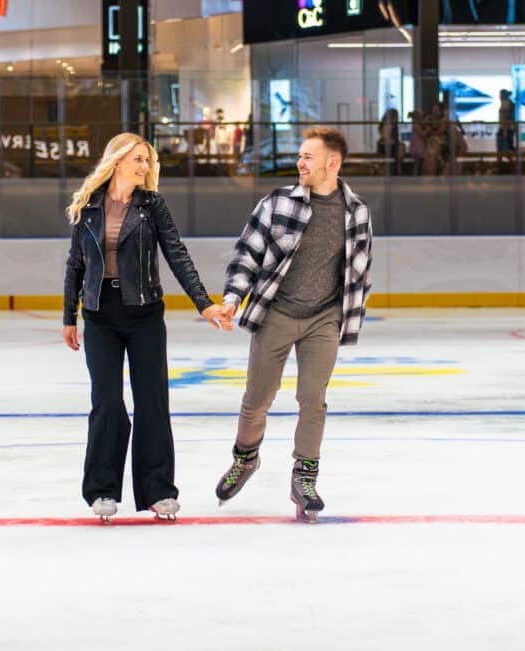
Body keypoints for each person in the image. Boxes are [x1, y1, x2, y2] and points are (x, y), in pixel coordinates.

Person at [62, 132, 231, 523]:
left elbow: (176, 254)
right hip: (100, 315)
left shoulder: (152, 205)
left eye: (147, 161)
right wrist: (69, 316)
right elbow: (75, 264)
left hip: (144, 315)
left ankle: (158, 491)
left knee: (152, 401)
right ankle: (102, 490)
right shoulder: (89, 206)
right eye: (138, 159)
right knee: (106, 402)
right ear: (117, 160)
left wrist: (204, 303)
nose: (144, 166)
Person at [214, 126, 374, 522]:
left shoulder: (357, 212)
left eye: (308, 157)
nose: (299, 163)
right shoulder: (278, 202)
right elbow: (247, 253)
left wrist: (347, 314)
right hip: (277, 313)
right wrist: (234, 297)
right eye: (300, 156)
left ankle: (304, 478)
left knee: (312, 400)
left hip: (324, 317)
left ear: (331, 164)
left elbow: (359, 271)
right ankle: (245, 459)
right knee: (257, 400)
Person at [496, 89, 516, 165]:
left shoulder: (506, 104)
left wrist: (504, 131)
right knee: (507, 149)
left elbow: (505, 118)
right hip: (508, 130)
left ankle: (500, 167)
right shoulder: (510, 104)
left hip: (505, 130)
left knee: (502, 150)